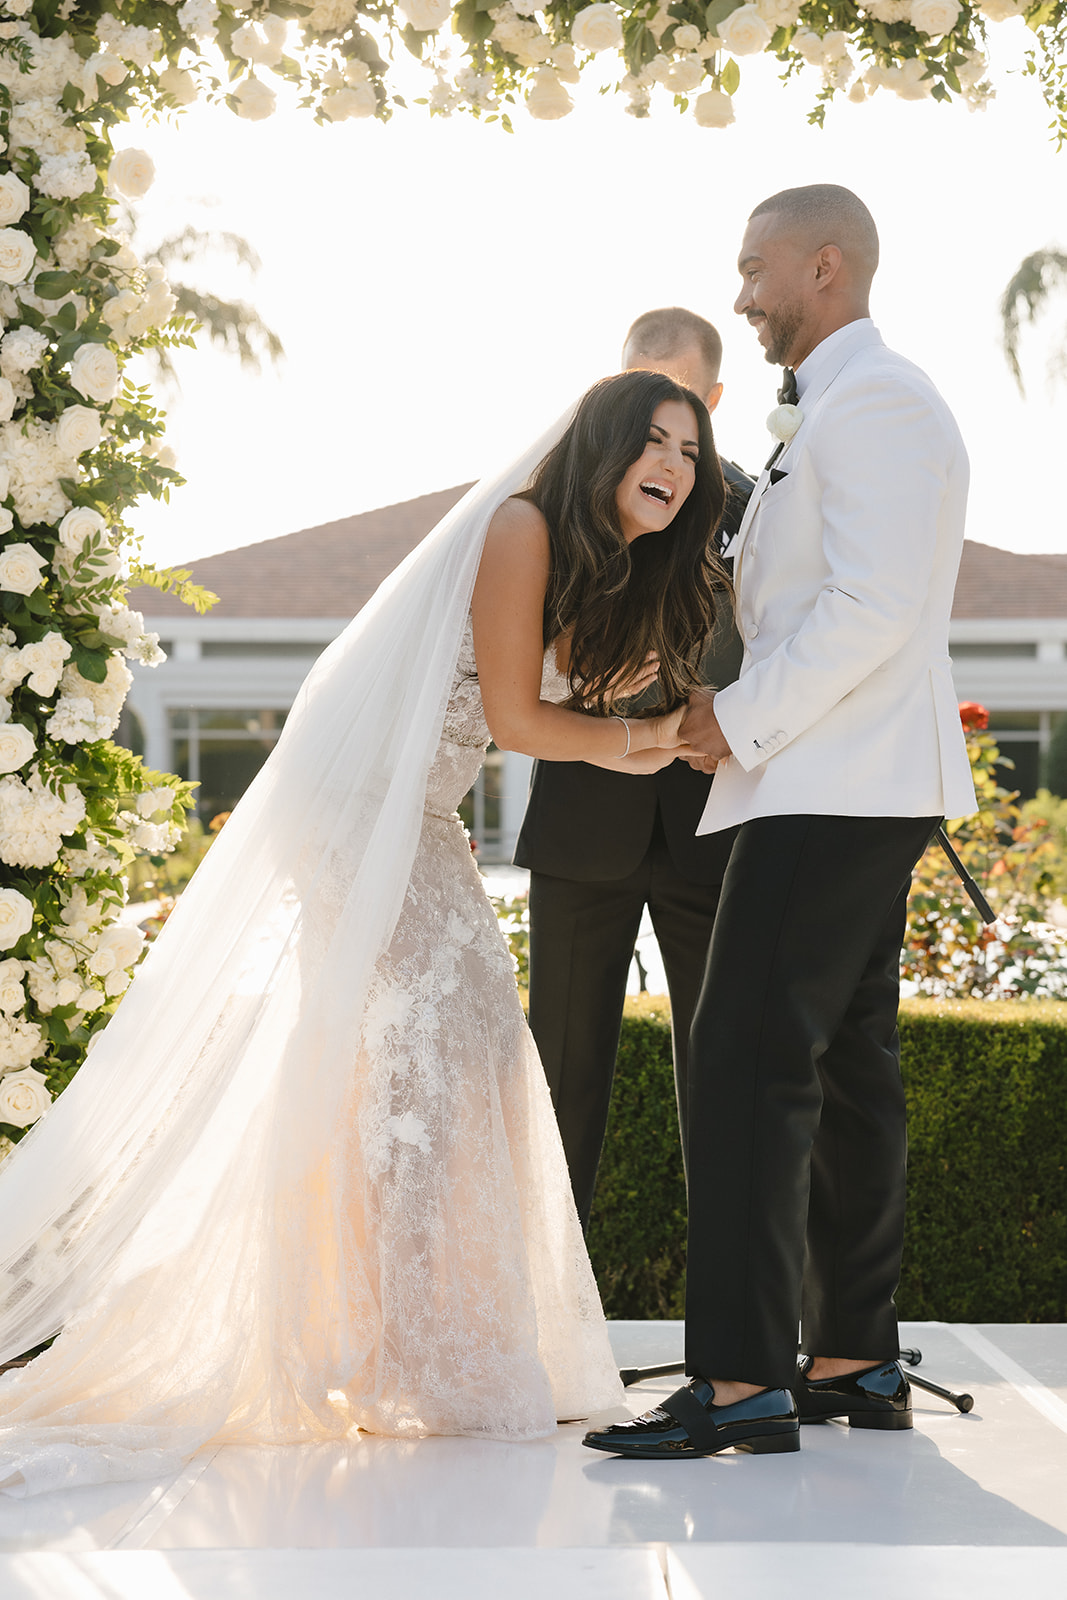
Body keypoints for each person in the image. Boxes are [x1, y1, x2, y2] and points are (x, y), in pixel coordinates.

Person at [0, 370, 728, 1497]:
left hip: (411, 810)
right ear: (601, 445)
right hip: (352, 811)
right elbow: (518, 720)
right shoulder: (522, 525)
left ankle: (388, 1337)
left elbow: (548, 706)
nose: (675, 464)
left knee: (443, 1051)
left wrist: (648, 725)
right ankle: (415, 1351)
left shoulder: (588, 557)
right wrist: (643, 740)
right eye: (653, 438)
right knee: (455, 1043)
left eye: (690, 447)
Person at [584, 185, 977, 1461]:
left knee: (745, 1057)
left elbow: (868, 609)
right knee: (845, 1067)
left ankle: (741, 1378)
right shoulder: (841, 408)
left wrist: (731, 721)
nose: (741, 292)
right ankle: (853, 1359)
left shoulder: (880, 402)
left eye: (754, 268)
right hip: (836, 778)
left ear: (824, 265)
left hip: (830, 779)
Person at [515, 308, 753, 1224]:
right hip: (582, 826)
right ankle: (545, 1342)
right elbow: (511, 642)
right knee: (559, 1090)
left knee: (726, 1094)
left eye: (683, 408)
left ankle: (729, 1355)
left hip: (715, 824)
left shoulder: (757, 505)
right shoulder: (562, 499)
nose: (659, 444)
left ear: (714, 401)